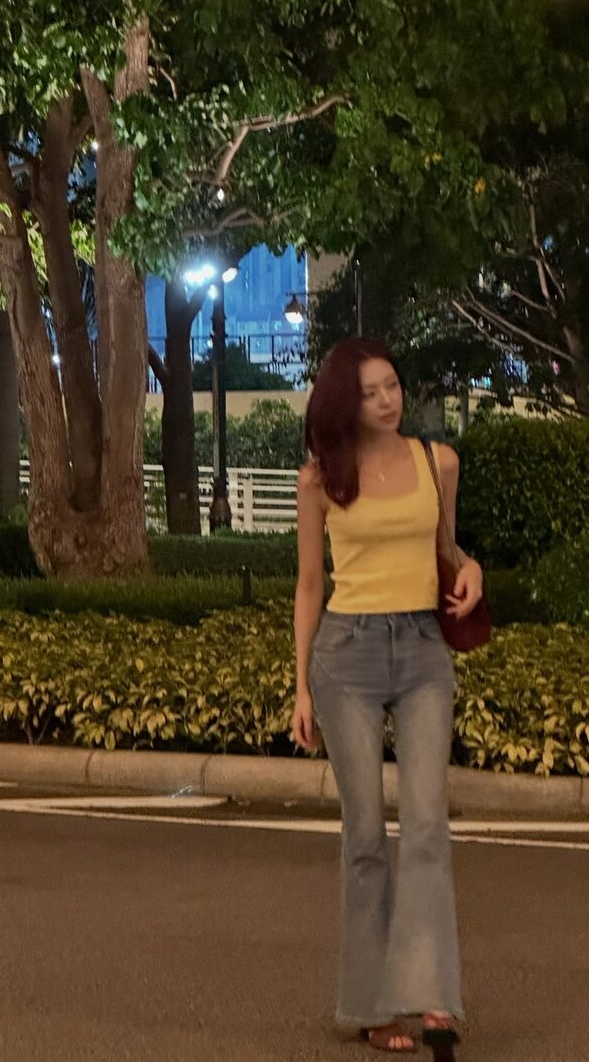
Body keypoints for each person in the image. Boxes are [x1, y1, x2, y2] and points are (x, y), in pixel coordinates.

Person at [292, 338, 483, 1058]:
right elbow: (310, 585)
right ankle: (373, 1006)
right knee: (366, 835)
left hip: (425, 652)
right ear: (346, 400)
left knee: (428, 824)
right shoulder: (321, 479)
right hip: (348, 653)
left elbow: (448, 551)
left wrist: (473, 570)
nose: (386, 400)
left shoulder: (438, 462)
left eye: (393, 386)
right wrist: (300, 686)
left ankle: (433, 997)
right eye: (370, 391)